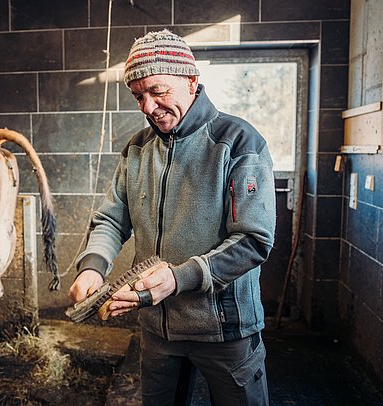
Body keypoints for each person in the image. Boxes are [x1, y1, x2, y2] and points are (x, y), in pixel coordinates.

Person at [68, 29, 276, 406]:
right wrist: (92, 267)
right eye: (138, 96)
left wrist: (179, 277)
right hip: (158, 328)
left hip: (223, 330)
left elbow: (253, 240)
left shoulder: (238, 141)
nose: (148, 107)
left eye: (158, 91)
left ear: (191, 81)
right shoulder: (137, 148)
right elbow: (112, 219)